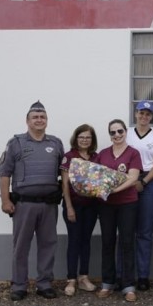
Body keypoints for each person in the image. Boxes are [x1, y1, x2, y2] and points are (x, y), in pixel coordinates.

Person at [0, 100, 65, 301]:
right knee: (21, 246)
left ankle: (44, 284)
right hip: (23, 204)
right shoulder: (16, 143)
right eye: (35, 117)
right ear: (27, 121)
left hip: (48, 205)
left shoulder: (56, 143)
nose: (39, 120)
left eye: (42, 117)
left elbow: (64, 173)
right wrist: (5, 200)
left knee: (48, 244)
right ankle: (19, 285)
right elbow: (4, 174)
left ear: (47, 121)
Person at [95, 119, 141, 302]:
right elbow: (97, 176)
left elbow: (132, 179)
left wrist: (112, 190)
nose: (117, 135)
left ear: (125, 132)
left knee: (127, 243)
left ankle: (128, 286)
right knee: (107, 242)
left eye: (120, 131)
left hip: (127, 203)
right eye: (113, 132)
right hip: (106, 205)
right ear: (109, 135)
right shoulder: (103, 154)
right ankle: (107, 283)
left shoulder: (133, 153)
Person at [127, 100, 153, 291]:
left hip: (150, 181)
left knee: (145, 232)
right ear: (135, 114)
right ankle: (124, 276)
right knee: (126, 230)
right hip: (129, 180)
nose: (144, 117)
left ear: (151, 117)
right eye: (141, 113)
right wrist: (132, 181)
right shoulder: (127, 134)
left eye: (148, 114)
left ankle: (143, 276)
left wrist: (144, 182)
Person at [59, 124, 99, 296]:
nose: (84, 140)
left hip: (91, 207)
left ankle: (83, 277)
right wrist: (69, 207)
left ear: (92, 140)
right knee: (74, 241)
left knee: (86, 241)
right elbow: (65, 185)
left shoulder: (96, 158)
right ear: (76, 138)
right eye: (81, 137)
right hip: (73, 206)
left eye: (88, 137)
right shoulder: (69, 157)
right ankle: (71, 279)